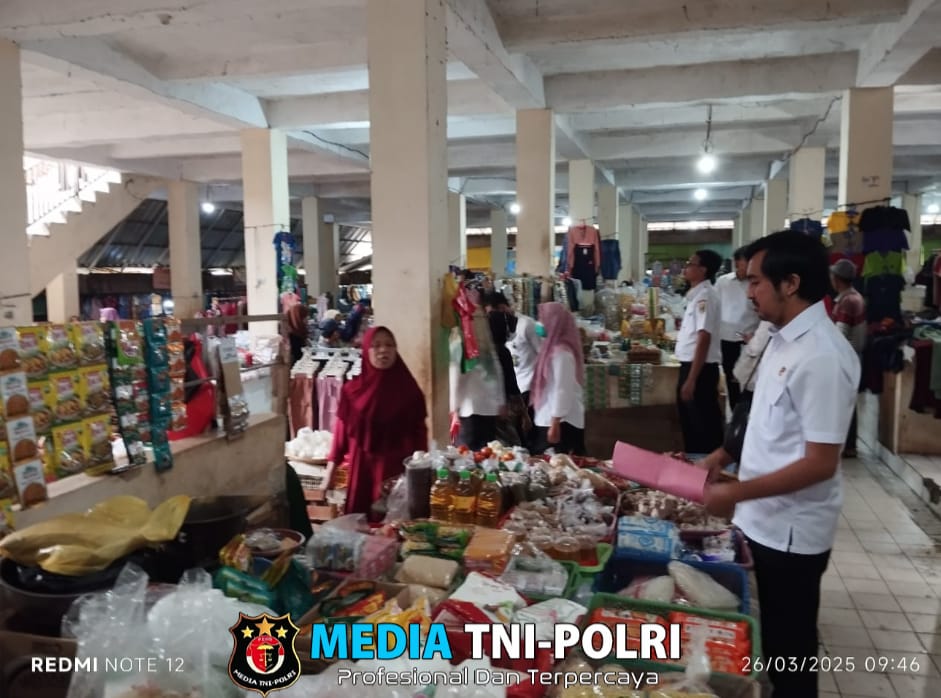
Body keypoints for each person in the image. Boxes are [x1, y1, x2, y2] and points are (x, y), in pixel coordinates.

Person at [699, 231, 860, 698]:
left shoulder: (823, 356)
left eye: (755, 282)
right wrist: (722, 457)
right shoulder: (781, 338)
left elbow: (819, 463)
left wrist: (735, 492)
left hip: (791, 533)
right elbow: (763, 417)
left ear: (790, 283)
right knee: (770, 643)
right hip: (761, 520)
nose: (748, 292)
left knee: (791, 654)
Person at [326, 327, 427, 520]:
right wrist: (331, 468)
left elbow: (420, 434)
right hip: (362, 469)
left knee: (394, 524)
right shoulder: (352, 391)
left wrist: (419, 474)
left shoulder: (410, 391)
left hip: (396, 471)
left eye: (389, 345)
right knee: (360, 526)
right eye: (376, 345)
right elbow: (341, 432)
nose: (383, 350)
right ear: (365, 350)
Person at [675, 249, 724, 455]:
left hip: (700, 369)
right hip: (692, 366)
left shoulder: (706, 297)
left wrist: (692, 379)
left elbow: (704, 338)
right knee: (691, 423)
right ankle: (695, 468)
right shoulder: (696, 295)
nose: (686, 267)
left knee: (702, 424)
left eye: (691, 263)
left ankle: (705, 471)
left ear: (703, 270)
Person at [529, 302, 586, 455]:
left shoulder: (562, 353)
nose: (540, 324)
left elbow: (562, 390)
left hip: (561, 421)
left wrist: (555, 422)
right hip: (550, 417)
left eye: (543, 319)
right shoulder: (551, 349)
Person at [449, 306, 506, 450]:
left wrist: (453, 408)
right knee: (486, 453)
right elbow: (498, 374)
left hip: (468, 410)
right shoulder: (488, 349)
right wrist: (501, 401)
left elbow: (456, 381)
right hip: (489, 410)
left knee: (467, 458)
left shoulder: (461, 346)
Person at [830, 258, 867, 458]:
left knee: (844, 402)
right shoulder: (853, 297)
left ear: (837, 279)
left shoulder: (847, 301)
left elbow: (840, 335)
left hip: (846, 357)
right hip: (852, 356)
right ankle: (849, 444)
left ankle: (848, 445)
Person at [715, 247, 760, 410]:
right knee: (731, 377)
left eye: (744, 265)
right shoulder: (723, 282)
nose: (741, 269)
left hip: (749, 340)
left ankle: (748, 412)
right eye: (738, 265)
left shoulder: (757, 284)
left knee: (748, 380)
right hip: (726, 337)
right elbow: (715, 307)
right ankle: (736, 414)